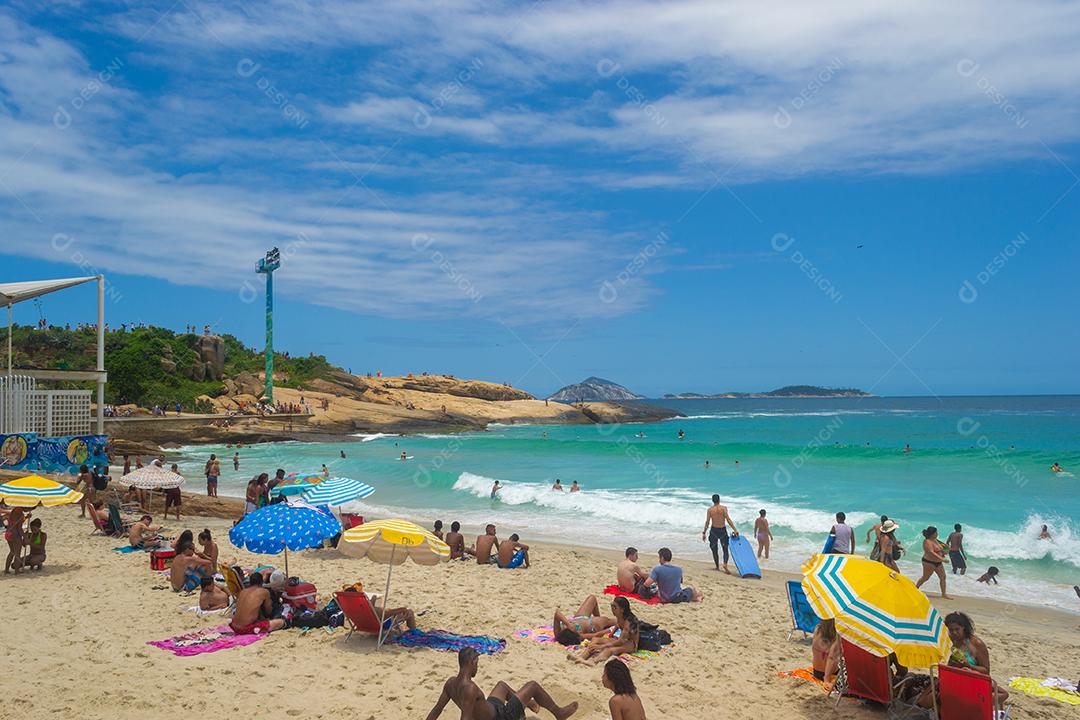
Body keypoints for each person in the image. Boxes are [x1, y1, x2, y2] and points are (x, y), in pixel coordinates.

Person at [425, 647, 578, 720]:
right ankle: (559, 713)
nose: (477, 667)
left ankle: (530, 704)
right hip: (501, 717)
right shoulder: (470, 688)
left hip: (492, 708)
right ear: (472, 662)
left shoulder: (450, 684)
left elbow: (436, 711)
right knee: (532, 686)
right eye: (477, 664)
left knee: (501, 686)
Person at [916, 612, 1008, 708]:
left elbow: (986, 671)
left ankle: (975, 705)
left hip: (971, 681)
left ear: (964, 627)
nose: (954, 633)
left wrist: (969, 665)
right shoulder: (949, 641)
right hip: (952, 680)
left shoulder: (976, 644)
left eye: (957, 629)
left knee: (1003, 694)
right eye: (951, 630)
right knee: (922, 701)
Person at [572, 596, 640, 666]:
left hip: (631, 644)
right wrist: (612, 633)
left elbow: (620, 642)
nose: (612, 608)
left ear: (622, 610)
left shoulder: (628, 624)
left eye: (614, 607)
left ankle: (594, 662)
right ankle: (582, 657)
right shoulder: (621, 616)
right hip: (622, 639)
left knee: (609, 650)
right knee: (595, 639)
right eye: (612, 605)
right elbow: (618, 624)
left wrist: (602, 646)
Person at [553, 594, 618, 645]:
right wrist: (609, 630)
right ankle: (602, 622)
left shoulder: (558, 633)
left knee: (592, 598)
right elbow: (596, 635)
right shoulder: (580, 636)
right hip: (592, 625)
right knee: (614, 621)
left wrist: (568, 624)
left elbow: (557, 613)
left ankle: (598, 618)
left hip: (579, 617)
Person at [702, 494, 739, 573]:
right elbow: (728, 519)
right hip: (722, 531)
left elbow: (707, 522)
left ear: (712, 500)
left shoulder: (710, 510)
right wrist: (735, 530)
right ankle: (725, 564)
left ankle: (717, 566)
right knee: (725, 549)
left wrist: (704, 532)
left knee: (714, 549)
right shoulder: (724, 508)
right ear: (719, 500)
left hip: (714, 531)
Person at [915, 526, 951, 599]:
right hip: (929, 562)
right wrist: (942, 559)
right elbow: (931, 552)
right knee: (925, 577)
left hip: (938, 563)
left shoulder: (936, 540)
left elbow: (942, 551)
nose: (937, 533)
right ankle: (915, 588)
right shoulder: (927, 541)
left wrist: (947, 549)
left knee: (943, 577)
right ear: (932, 534)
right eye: (936, 532)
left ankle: (943, 594)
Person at [811, 618, 841, 682]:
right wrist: (827, 678)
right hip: (829, 674)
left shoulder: (817, 629)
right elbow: (831, 658)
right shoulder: (837, 637)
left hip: (816, 672)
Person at [4, 506, 26, 574]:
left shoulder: (13, 511)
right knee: (17, 554)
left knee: (12, 552)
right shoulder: (20, 513)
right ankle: (17, 571)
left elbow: (15, 522)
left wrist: (26, 517)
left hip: (8, 533)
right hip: (15, 535)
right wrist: (25, 537)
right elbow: (19, 528)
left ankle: (6, 570)